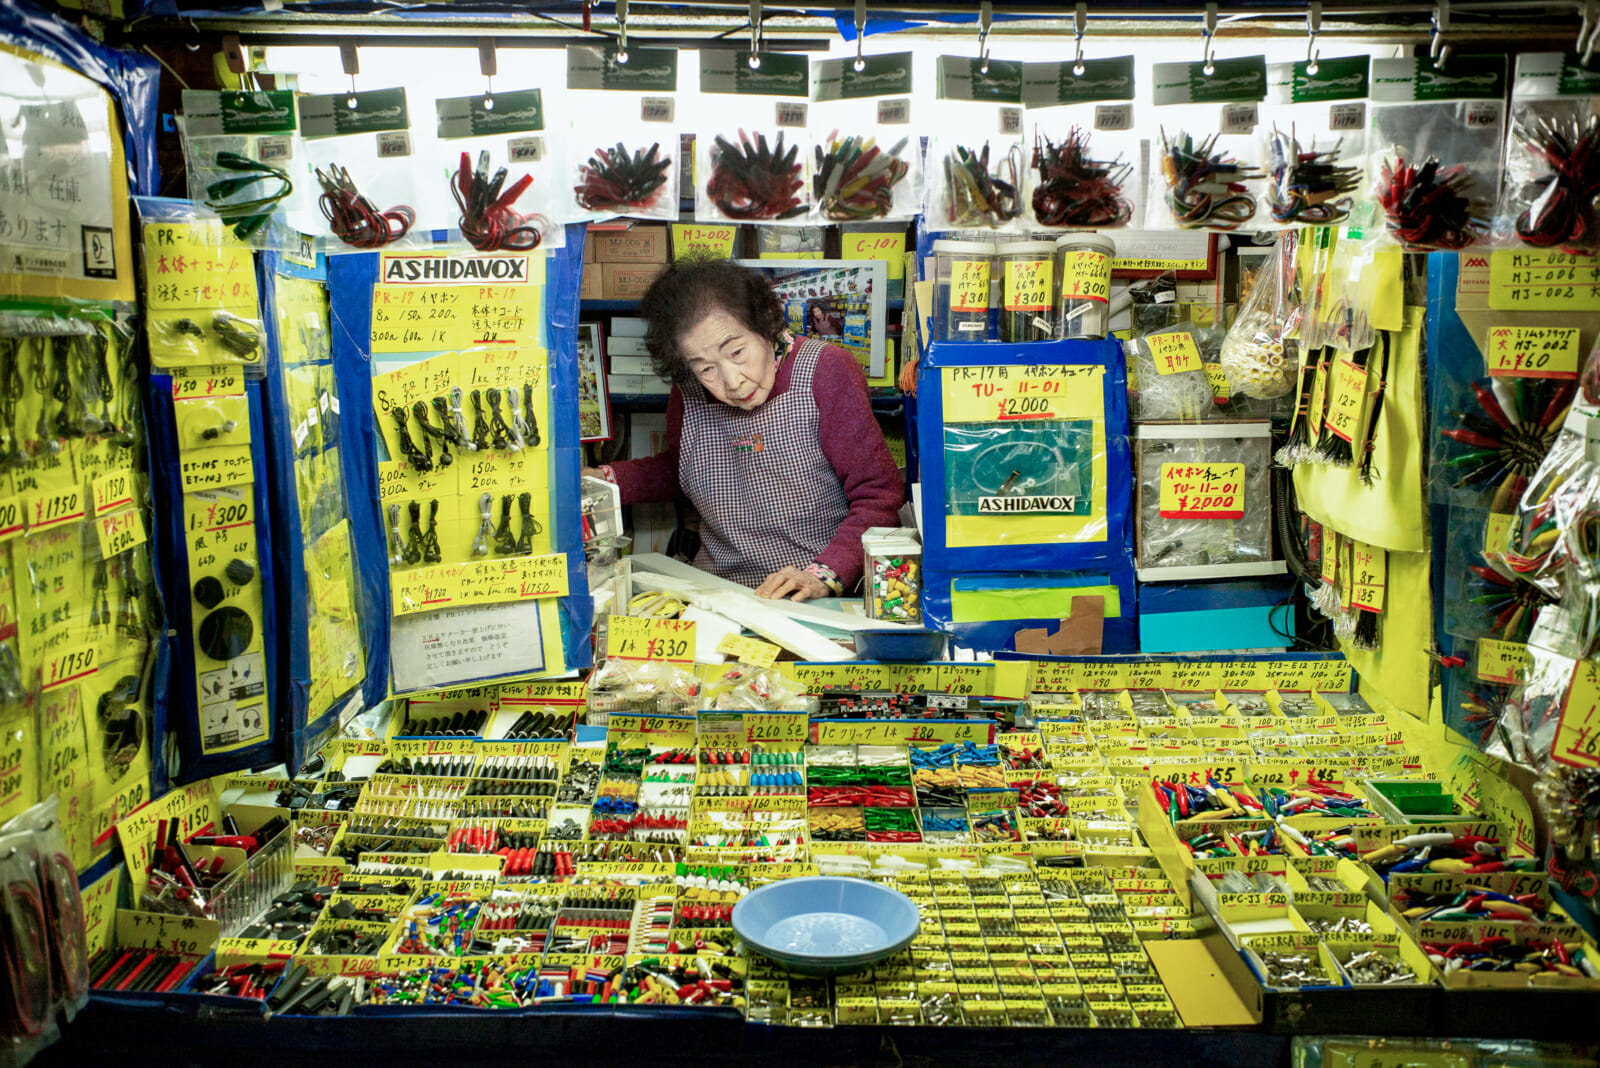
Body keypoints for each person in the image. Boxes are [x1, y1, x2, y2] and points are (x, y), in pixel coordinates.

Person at [585, 258, 904, 602]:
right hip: (719, 593)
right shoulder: (688, 392)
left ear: (765, 322)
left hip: (815, 595)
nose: (732, 381)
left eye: (737, 352)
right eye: (707, 369)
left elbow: (879, 497)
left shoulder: (827, 371)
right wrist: (604, 480)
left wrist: (824, 575)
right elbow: (684, 467)